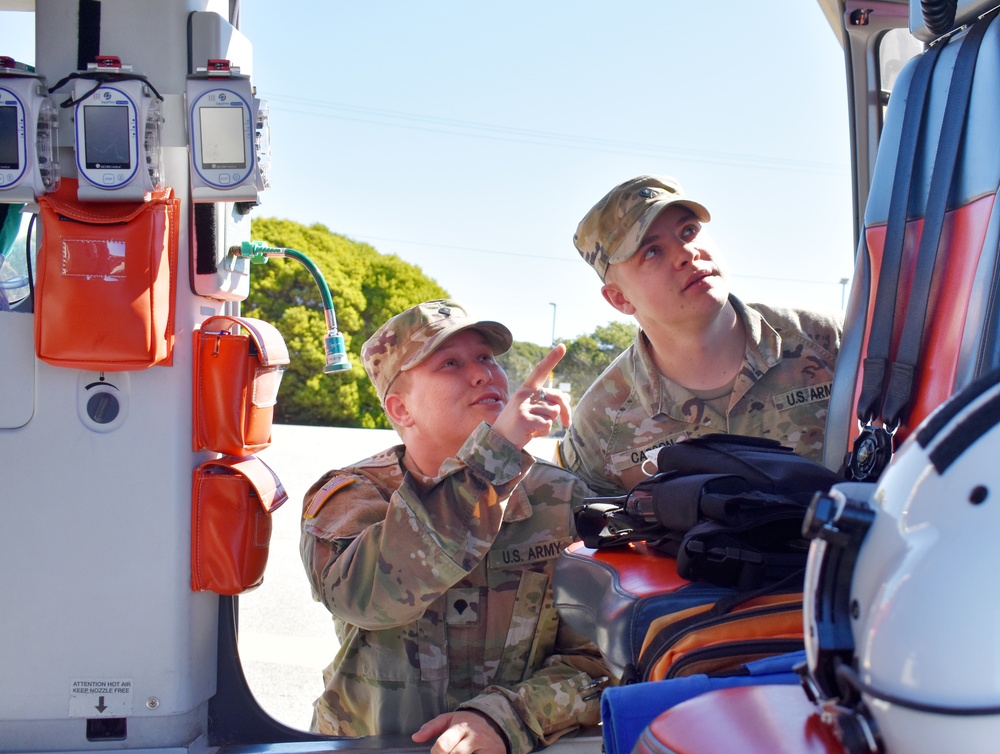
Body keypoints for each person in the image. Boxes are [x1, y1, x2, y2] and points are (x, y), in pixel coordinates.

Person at [300, 299, 609, 754]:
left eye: (485, 357)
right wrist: (493, 458)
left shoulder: (560, 499)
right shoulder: (350, 497)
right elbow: (368, 597)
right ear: (401, 409)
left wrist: (505, 718)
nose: (483, 373)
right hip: (367, 745)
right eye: (450, 363)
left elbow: (601, 661)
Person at [559, 175, 842, 496]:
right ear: (619, 298)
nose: (686, 253)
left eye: (689, 231)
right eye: (652, 251)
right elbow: (590, 532)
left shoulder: (829, 341)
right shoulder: (601, 422)